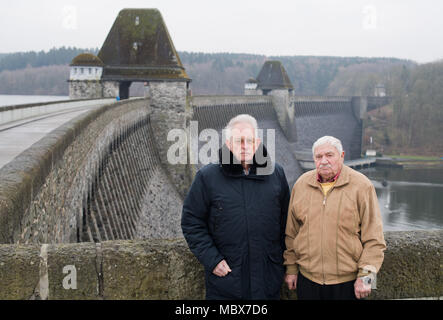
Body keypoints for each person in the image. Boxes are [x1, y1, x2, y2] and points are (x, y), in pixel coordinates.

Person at [181, 114, 290, 299]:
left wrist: (287, 265)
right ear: (229, 144)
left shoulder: (275, 173)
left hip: (267, 277)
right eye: (239, 141)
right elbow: (192, 222)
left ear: (256, 143)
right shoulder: (208, 177)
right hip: (227, 281)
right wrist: (212, 260)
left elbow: (287, 222)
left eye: (249, 140)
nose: (245, 146)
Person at [284, 136, 386, 300]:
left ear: (342, 155)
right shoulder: (301, 185)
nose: (324, 161)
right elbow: (291, 233)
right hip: (307, 281)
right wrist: (291, 269)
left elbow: (375, 240)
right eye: (318, 157)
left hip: (348, 283)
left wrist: (366, 278)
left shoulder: (362, 186)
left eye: (329, 155)